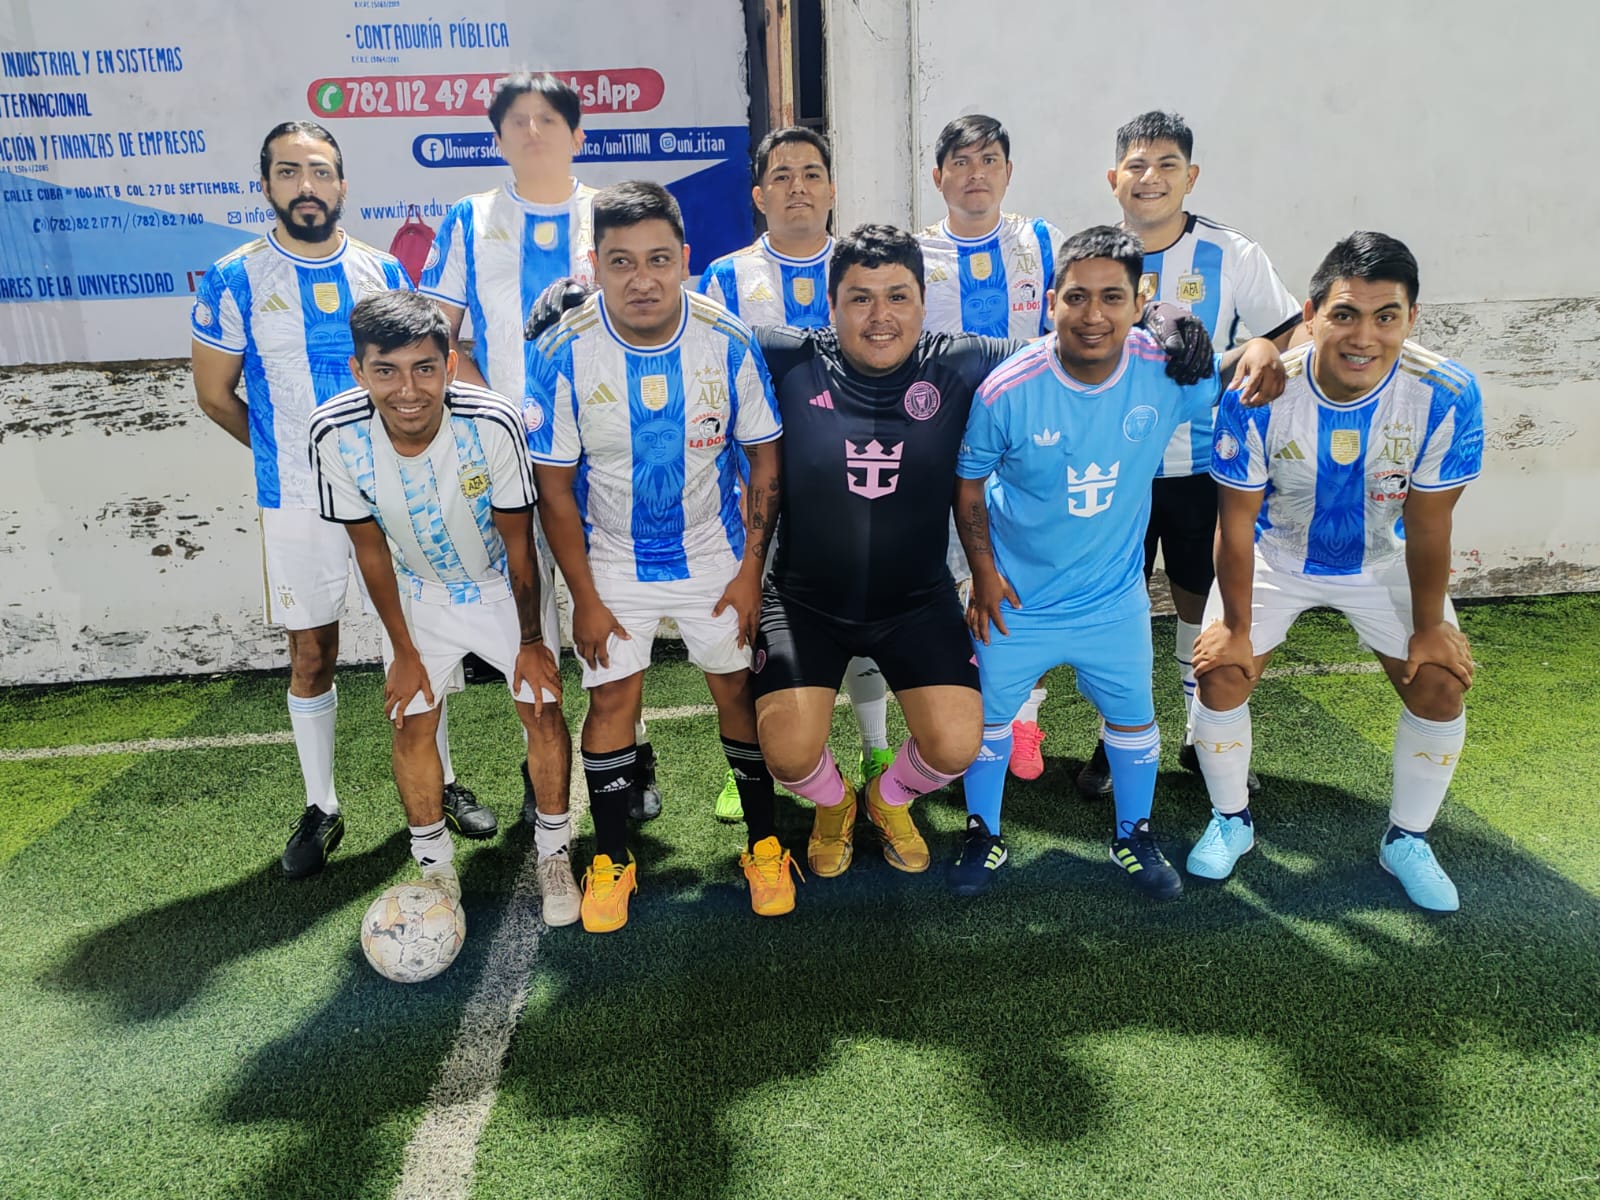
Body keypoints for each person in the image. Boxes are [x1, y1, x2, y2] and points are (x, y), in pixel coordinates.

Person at [522, 225, 1217, 888]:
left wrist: (1164, 316)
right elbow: (695, 321)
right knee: (785, 750)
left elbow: (1071, 335)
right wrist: (588, 302)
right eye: (860, 298)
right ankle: (835, 805)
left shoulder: (963, 361)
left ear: (923, 301)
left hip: (916, 601)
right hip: (805, 601)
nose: (880, 316)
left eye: (897, 297)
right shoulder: (788, 355)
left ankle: (886, 798)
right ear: (831, 305)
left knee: (956, 745)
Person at [191, 121, 494, 882]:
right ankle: (321, 806)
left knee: (418, 640)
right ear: (267, 184)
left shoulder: (380, 269)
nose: (306, 186)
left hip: (394, 494)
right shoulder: (234, 277)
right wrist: (289, 458)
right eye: (289, 172)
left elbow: (415, 377)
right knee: (312, 652)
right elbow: (215, 395)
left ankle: (443, 782)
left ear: (342, 184)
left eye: (320, 172)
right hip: (296, 500)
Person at [953, 225, 1285, 900]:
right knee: (985, 726)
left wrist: (1255, 344)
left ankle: (1133, 834)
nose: (1093, 314)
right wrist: (983, 574)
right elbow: (968, 487)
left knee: (1134, 721)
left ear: (1140, 303)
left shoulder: (1164, 371)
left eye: (1113, 297)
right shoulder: (1006, 390)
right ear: (1051, 301)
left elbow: (1231, 371)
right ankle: (983, 833)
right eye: (1077, 296)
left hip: (1112, 601)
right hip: (1017, 600)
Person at [1187, 232, 1482, 912]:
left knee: (1440, 682)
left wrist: (1430, 628)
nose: (1364, 335)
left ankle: (1407, 839)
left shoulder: (1446, 393)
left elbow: (1429, 525)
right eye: (1345, 314)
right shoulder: (1260, 392)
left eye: (1387, 316)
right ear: (1312, 313)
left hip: (1384, 559)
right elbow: (1235, 524)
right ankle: (1231, 820)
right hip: (1277, 556)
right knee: (1220, 669)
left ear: (1412, 319)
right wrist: (1234, 625)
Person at [525, 182, 787, 931]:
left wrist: (751, 573)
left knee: (736, 692)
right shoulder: (563, 351)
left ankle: (766, 845)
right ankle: (612, 860)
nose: (641, 279)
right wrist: (585, 598)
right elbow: (554, 489)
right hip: (613, 557)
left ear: (685, 260)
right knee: (613, 700)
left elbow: (765, 460)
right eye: (621, 261)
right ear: (595, 266)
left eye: (658, 260)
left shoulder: (726, 340)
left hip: (715, 552)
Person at [419, 72, 652, 834]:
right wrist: (495, 410)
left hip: (609, 444)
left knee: (614, 599)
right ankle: (539, 762)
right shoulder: (470, 219)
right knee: (534, 609)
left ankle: (633, 753)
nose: (532, 131)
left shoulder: (611, 213)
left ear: (578, 134)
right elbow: (439, 340)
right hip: (511, 452)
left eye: (548, 118)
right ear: (497, 138)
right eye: (516, 120)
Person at [307, 292, 570, 914]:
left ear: (450, 365)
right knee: (411, 719)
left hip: (501, 585)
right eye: (386, 370)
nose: (408, 390)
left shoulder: (493, 421)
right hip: (416, 591)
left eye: (424, 368)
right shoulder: (333, 433)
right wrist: (403, 650)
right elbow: (370, 551)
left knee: (541, 708)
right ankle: (435, 870)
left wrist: (531, 642)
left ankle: (555, 855)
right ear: (359, 371)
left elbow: (519, 545)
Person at [1077, 110, 1303, 801]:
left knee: (1200, 603)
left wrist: (1256, 354)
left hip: (1206, 467)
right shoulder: (1090, 256)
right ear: (1114, 178)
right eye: (1137, 165)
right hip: (1114, 468)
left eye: (1167, 165)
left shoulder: (1233, 254)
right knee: (1113, 605)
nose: (1151, 178)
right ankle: (1118, 736)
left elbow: (1287, 334)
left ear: (1190, 176)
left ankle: (1201, 735)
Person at [698, 126, 898, 819]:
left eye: (811, 174)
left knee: (863, 613)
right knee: (755, 625)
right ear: (758, 195)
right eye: (781, 176)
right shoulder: (725, 278)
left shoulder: (862, 267)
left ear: (833, 189)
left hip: (853, 479)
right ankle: (751, 759)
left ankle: (875, 750)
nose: (798, 188)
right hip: (758, 481)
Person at [917, 113, 1066, 782]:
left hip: (1029, 440)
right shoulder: (917, 252)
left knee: (1024, 575)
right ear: (938, 176)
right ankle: (963, 717)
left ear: (1008, 172)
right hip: (943, 441)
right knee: (952, 579)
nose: (975, 173)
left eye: (989, 160)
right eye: (962, 161)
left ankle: (1025, 721)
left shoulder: (1042, 240)